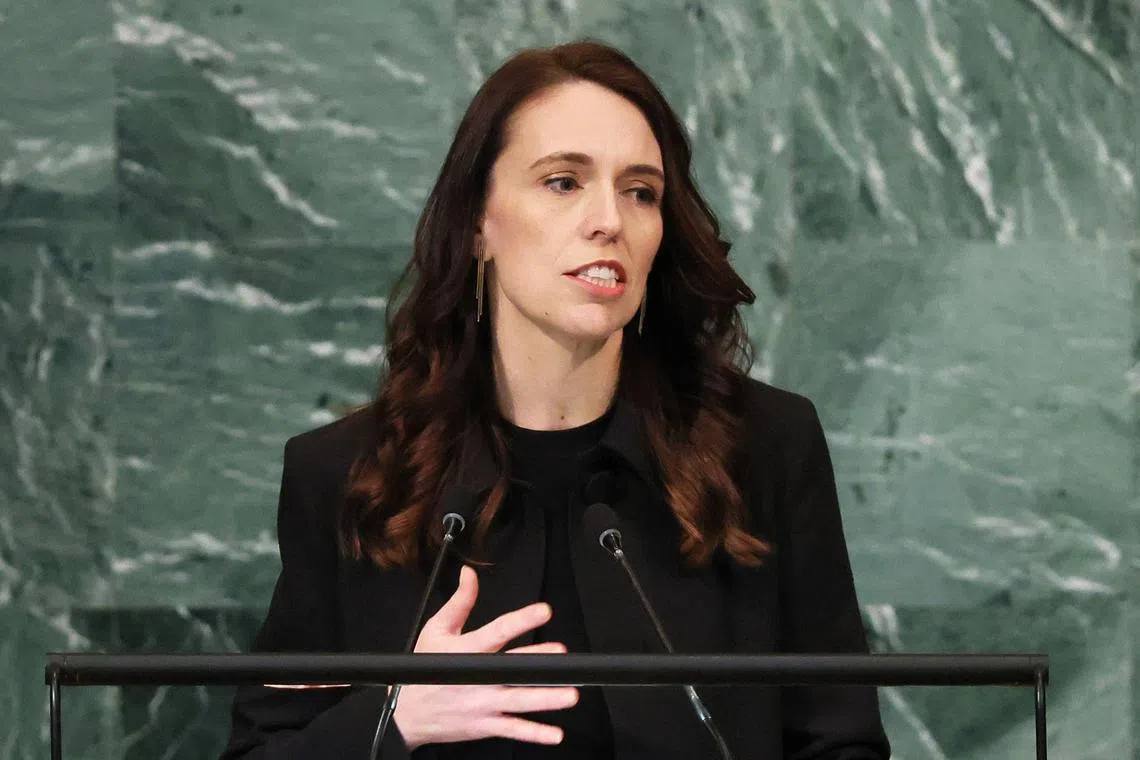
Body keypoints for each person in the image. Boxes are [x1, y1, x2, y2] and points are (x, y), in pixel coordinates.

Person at [220, 39, 891, 760]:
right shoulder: (347, 476)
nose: (610, 220)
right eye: (564, 182)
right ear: (479, 222)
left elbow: (841, 743)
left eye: (641, 191)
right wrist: (395, 719)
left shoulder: (766, 448)